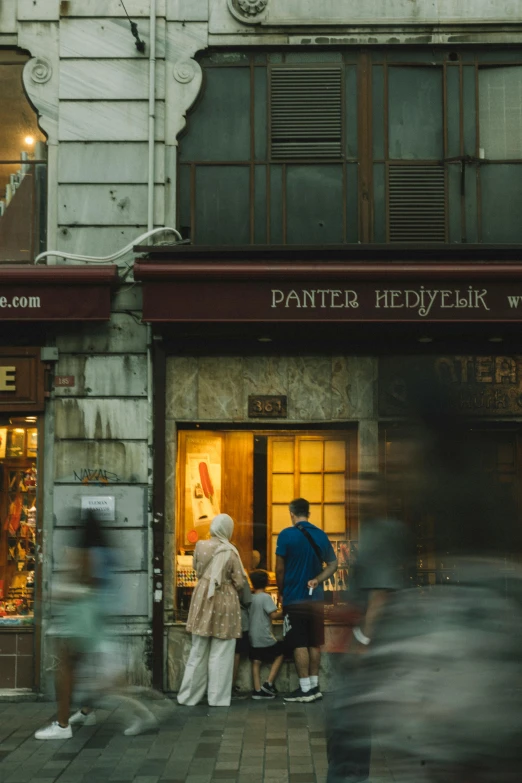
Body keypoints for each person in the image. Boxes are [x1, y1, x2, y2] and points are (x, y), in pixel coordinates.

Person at [326, 472, 408, 783]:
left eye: (365, 494)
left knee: (346, 740)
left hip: (364, 658)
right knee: (350, 741)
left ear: (380, 498)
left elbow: (380, 597)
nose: (357, 500)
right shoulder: (371, 531)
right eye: (354, 494)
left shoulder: (381, 535)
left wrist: (361, 644)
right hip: (361, 653)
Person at [35, 511, 110, 740]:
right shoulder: (103, 551)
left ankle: (62, 724)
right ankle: (87, 711)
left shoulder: (86, 554)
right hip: (94, 615)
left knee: (66, 668)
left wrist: (57, 594)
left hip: (81, 617)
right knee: (84, 667)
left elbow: (83, 582)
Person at [177, 513, 246, 707]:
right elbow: (239, 582)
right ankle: (217, 699)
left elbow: (197, 570)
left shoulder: (199, 546)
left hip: (202, 597)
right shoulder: (231, 551)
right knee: (222, 652)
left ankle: (188, 697)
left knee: (198, 650)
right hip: (225, 601)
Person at [276, 497, 338, 703]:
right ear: (308, 513)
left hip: (295, 598)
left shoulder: (286, 535)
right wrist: (317, 580)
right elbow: (333, 564)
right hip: (317, 598)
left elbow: (279, 568)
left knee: (298, 642)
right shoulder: (320, 535)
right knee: (314, 643)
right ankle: (314, 686)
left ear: (291, 513)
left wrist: (281, 591)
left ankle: (304, 690)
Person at [248, 569, 284, 699]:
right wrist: (285, 608)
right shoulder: (265, 597)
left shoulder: (250, 598)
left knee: (256, 661)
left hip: (253, 637)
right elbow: (274, 615)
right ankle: (268, 683)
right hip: (264, 636)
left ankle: (257, 691)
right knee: (280, 654)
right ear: (267, 583)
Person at [232, 578, 252, 698]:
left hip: (221, 621)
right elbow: (248, 600)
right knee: (236, 655)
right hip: (239, 621)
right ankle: (231, 686)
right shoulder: (242, 579)